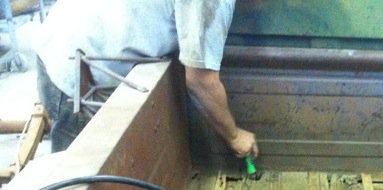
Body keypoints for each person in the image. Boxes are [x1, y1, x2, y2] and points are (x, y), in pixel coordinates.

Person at [34, 0, 258, 157]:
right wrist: (234, 136)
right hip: (76, 65)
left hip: (66, 33)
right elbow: (201, 81)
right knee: (81, 187)